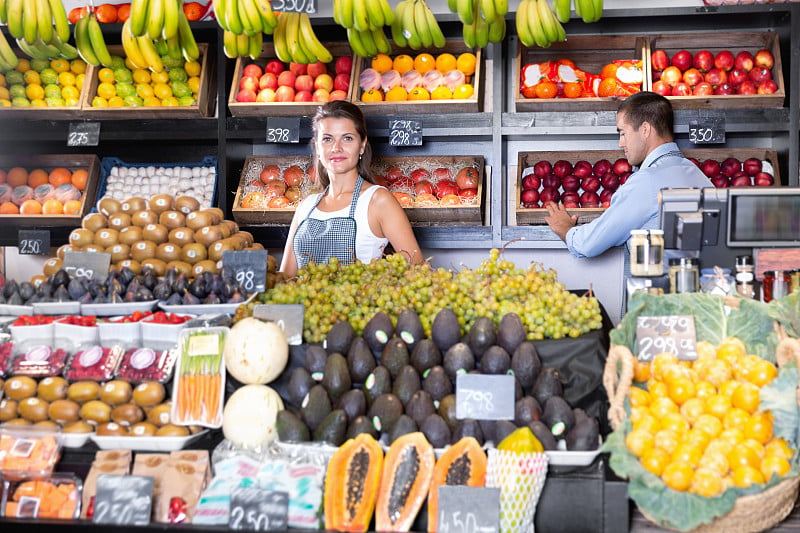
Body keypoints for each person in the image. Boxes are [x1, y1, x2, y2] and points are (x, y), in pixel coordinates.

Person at [545, 91, 712, 258]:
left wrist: (565, 228)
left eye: (623, 133)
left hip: (664, 283)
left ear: (645, 129)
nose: (620, 143)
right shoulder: (694, 173)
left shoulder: (647, 181)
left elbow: (588, 244)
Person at [280, 100, 423, 277]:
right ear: (317, 146)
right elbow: (285, 278)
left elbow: (417, 271)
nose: (336, 148)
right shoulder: (306, 206)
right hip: (304, 305)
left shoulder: (378, 200)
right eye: (327, 139)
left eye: (347, 138)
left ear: (362, 145)